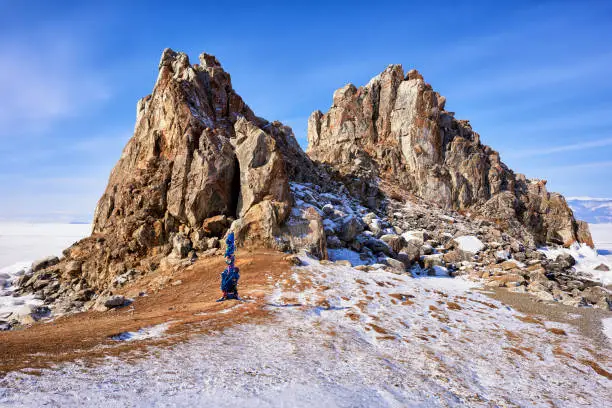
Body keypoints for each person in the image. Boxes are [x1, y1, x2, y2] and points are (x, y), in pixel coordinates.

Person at [217, 232, 240, 301]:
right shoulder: (230, 249)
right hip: (230, 269)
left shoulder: (230, 252)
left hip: (231, 271)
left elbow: (229, 261)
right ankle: (231, 294)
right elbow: (228, 261)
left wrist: (228, 257)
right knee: (228, 282)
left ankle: (229, 294)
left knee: (227, 283)